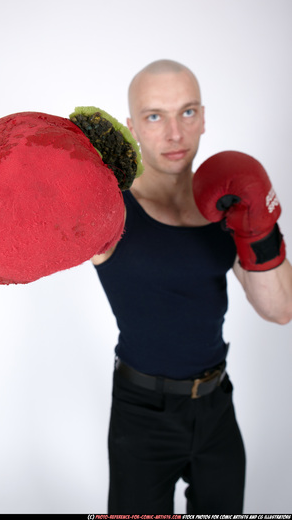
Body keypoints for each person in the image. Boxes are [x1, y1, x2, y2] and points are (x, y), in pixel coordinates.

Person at [91, 60, 292, 513]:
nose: (175, 133)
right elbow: (35, 228)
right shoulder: (109, 209)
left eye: (187, 112)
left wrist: (258, 225)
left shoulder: (226, 201)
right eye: (154, 116)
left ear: (203, 117)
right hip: (141, 413)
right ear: (133, 127)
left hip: (216, 407)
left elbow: (280, 308)